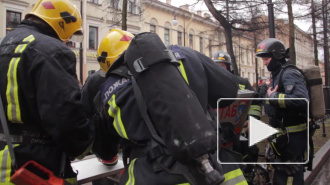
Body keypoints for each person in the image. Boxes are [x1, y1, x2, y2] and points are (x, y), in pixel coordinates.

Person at [91, 32, 248, 184]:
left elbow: (106, 153)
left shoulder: (108, 91)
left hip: (151, 175)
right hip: (218, 169)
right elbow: (229, 91)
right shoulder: (185, 54)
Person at [0, 0, 93, 184]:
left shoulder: (4, 45)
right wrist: (85, 143)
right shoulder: (53, 51)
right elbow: (65, 117)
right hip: (36, 166)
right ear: (63, 24)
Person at [81, 29, 134, 185]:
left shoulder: (96, 80)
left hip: (109, 155)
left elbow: (85, 115)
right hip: (138, 156)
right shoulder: (145, 77)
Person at [256, 38, 308, 185]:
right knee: (281, 176)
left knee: (290, 177)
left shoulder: (289, 73)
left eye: (266, 58)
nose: (264, 62)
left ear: (277, 56)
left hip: (293, 139)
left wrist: (274, 97)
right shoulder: (278, 74)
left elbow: (302, 99)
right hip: (282, 138)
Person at [212, 51, 261, 184]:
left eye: (222, 65)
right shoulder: (209, 84)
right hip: (218, 132)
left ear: (228, 67)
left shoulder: (242, 83)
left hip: (241, 129)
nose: (219, 69)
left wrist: (252, 119)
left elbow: (255, 102)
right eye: (216, 65)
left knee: (248, 151)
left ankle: (249, 175)